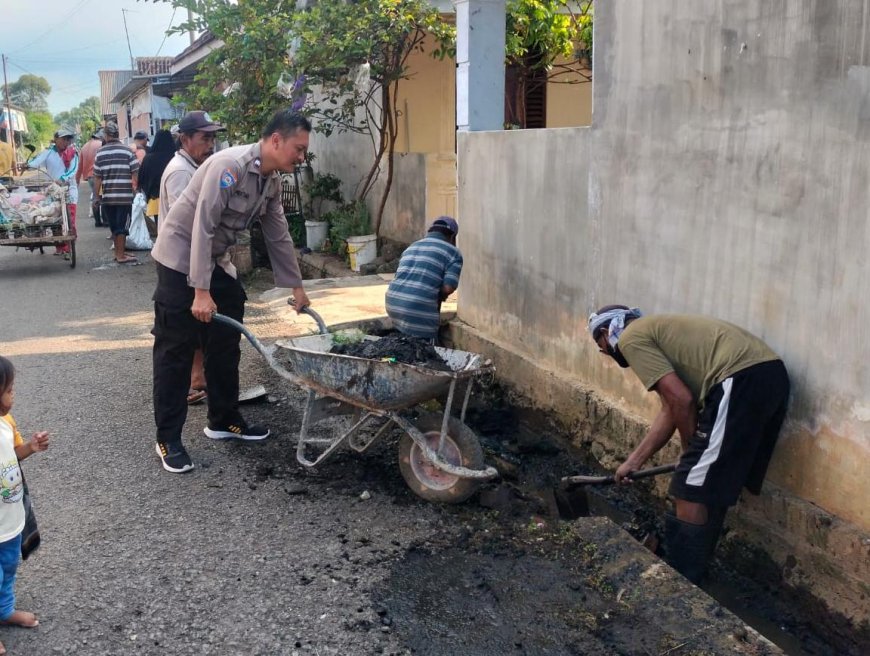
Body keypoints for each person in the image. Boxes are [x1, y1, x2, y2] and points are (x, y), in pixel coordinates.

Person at [150, 108, 312, 473]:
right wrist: (201, 290)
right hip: (180, 258)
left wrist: (297, 287)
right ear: (275, 140)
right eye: (298, 149)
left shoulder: (270, 180)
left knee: (227, 328)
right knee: (175, 348)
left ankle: (223, 419)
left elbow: (277, 233)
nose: (301, 157)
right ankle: (168, 438)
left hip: (213, 258)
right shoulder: (230, 166)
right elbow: (202, 226)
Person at [587, 306, 790, 583]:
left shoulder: (630, 339)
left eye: (601, 347)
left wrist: (688, 450)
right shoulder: (656, 333)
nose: (606, 353)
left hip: (741, 378)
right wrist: (634, 461)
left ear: (604, 333)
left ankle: (683, 579)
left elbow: (682, 401)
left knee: (689, 485)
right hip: (765, 377)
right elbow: (671, 408)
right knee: (710, 483)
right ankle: (696, 573)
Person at [159, 111, 227, 406]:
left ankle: (197, 378)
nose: (210, 144)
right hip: (182, 260)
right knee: (187, 325)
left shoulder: (192, 166)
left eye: (213, 137)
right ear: (185, 139)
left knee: (197, 323)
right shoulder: (181, 172)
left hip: (190, 258)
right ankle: (192, 380)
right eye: (204, 138)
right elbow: (187, 222)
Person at [0, 356, 50, 655]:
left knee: (8, 568)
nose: (13, 394)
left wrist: (30, 447)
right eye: (9, 389)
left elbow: (13, 453)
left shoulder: (6, 422)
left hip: (10, 520)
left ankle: (4, 610)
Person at [385, 216, 463, 342]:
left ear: (430, 232)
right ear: (452, 237)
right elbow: (448, 288)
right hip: (417, 308)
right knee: (426, 352)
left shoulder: (411, 247)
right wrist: (437, 295)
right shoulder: (453, 252)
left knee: (404, 345)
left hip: (392, 304)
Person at [27, 129, 78, 258]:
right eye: (63, 139)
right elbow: (35, 163)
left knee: (69, 218)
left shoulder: (73, 153)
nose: (65, 142)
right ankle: (59, 246)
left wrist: (62, 179)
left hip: (69, 189)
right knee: (54, 218)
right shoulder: (48, 152)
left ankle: (68, 245)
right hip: (53, 190)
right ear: (56, 139)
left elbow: (73, 170)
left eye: (68, 139)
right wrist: (27, 165)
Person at [93, 121, 139, 265]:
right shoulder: (127, 151)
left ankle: (119, 252)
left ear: (106, 136)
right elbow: (135, 172)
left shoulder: (100, 153)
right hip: (124, 197)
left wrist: (96, 197)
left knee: (114, 226)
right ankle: (120, 256)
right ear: (118, 135)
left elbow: (97, 177)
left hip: (108, 198)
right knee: (122, 226)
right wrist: (134, 189)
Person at [136, 129, 175, 238]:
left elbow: (142, 178)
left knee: (160, 226)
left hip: (155, 198)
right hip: (174, 196)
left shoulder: (149, 158)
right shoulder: (175, 157)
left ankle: (162, 246)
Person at [76, 129, 105, 227]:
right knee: (103, 197)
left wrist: (77, 181)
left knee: (95, 196)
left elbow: (79, 166)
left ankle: (97, 221)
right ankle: (105, 220)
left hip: (89, 177)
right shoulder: (101, 144)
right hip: (99, 175)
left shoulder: (84, 147)